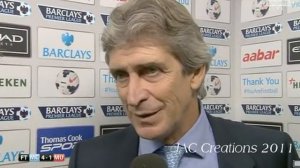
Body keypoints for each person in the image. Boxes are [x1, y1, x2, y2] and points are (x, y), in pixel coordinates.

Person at [69, 0, 299, 167]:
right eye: (121, 75)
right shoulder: (88, 158)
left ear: (196, 73)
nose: (133, 97)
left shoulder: (271, 151)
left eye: (151, 70)